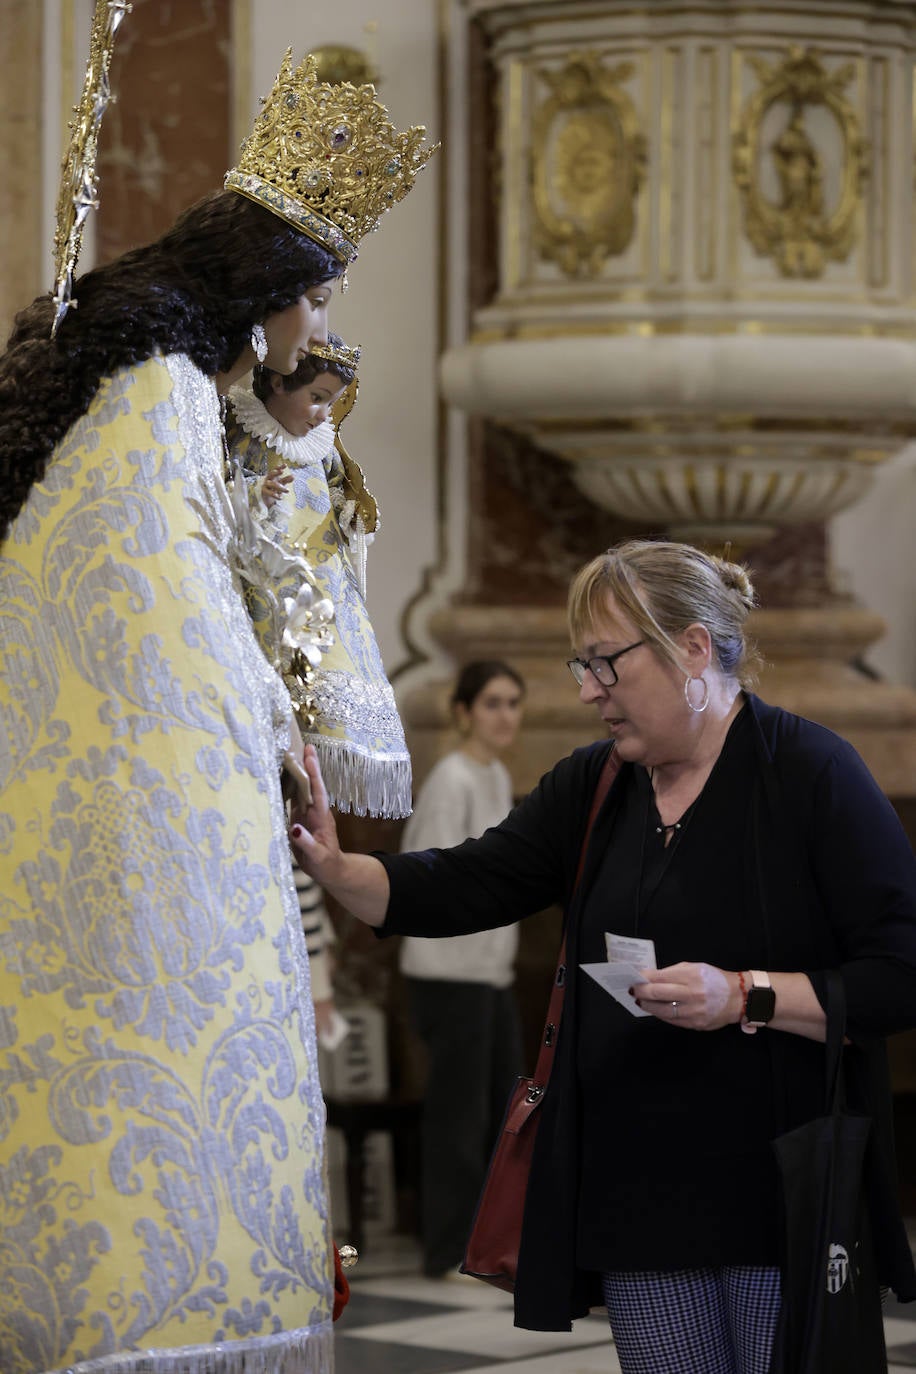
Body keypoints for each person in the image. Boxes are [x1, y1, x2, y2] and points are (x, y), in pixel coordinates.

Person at [0, 48, 434, 1374]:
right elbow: (172, 614)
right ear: (264, 292)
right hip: (146, 820)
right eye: (312, 297)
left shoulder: (145, 383)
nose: (314, 331)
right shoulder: (164, 401)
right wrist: (263, 716)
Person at [288, 539, 916, 1374]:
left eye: (606, 665)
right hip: (635, 1190)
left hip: (777, 1188)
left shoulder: (809, 774)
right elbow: (465, 882)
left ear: (692, 648)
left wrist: (743, 996)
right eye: (580, 666)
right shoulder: (597, 785)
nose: (588, 692)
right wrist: (338, 869)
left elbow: (900, 972)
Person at [224, 339, 412, 820]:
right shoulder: (241, 431)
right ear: (279, 382)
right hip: (267, 584)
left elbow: (337, 494)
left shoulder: (321, 444)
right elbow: (215, 489)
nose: (324, 412)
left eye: (332, 401)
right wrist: (255, 494)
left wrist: (350, 517)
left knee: (317, 701)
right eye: (317, 397)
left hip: (321, 588)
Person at [398, 660, 526, 1277]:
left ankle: (488, 1246)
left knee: (506, 1111)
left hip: (489, 973)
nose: (506, 716)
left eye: (512, 703)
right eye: (493, 703)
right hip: (448, 974)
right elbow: (431, 873)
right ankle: (445, 1250)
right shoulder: (451, 779)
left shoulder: (496, 775)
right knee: (458, 1118)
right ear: (464, 712)